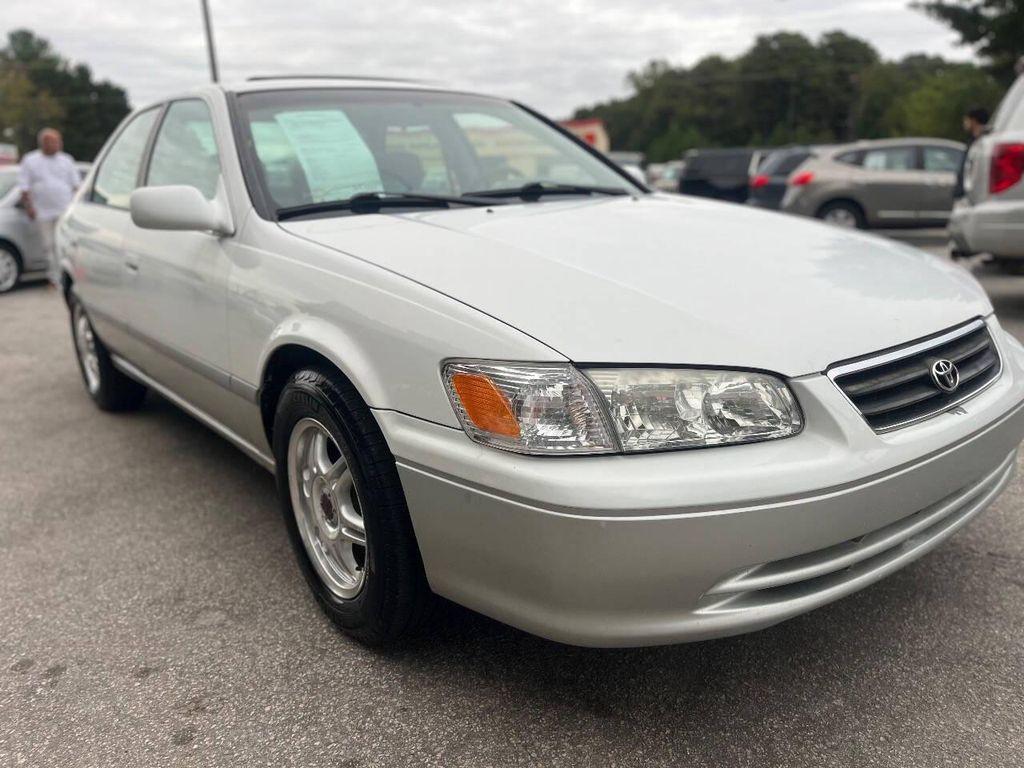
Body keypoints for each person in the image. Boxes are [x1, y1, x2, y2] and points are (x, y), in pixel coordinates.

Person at [17, 128, 80, 286]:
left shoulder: (67, 160)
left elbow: (76, 186)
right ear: (43, 143)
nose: (57, 144)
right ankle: (54, 278)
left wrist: (76, 207)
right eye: (53, 142)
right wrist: (29, 207)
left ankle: (71, 275)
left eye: (59, 141)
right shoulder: (30, 160)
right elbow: (24, 187)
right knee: (48, 246)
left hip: (65, 210)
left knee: (66, 244)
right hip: (42, 212)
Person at [954, 107, 989, 199]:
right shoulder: (974, 141)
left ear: (973, 120)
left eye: (966, 120)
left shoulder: (982, 144)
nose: (964, 123)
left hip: (974, 196)